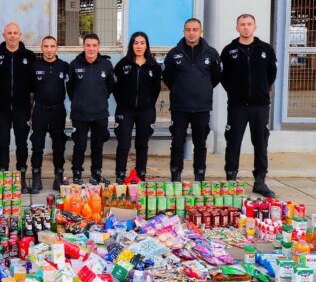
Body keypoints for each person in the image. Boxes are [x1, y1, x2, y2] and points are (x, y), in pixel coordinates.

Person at [220, 14, 277, 197]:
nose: (245, 27)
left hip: (260, 106)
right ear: (237, 27)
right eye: (242, 24)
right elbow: (223, 76)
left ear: (255, 26)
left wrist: (261, 91)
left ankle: (260, 181)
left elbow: (271, 74)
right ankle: (231, 180)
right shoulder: (229, 50)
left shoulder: (266, 49)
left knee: (260, 143)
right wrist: (235, 92)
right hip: (237, 106)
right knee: (233, 142)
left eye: (249, 24)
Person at [163, 18, 220, 182]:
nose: (191, 33)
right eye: (188, 29)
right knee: (177, 143)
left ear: (201, 31)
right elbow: (168, 78)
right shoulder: (174, 53)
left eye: (195, 29)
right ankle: (176, 174)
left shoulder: (211, 53)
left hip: (202, 108)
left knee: (200, 144)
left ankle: (199, 175)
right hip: (180, 107)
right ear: (184, 32)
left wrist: (203, 89)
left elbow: (215, 77)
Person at [0, 23, 36, 193]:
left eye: (15, 33)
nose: (13, 36)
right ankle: (4, 177)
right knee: (3, 143)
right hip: (1, 108)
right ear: (4, 35)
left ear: (20, 35)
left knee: (22, 143)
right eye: (9, 33)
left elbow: (33, 84)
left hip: (22, 108)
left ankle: (21, 178)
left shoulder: (29, 56)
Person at [113, 32, 161, 184]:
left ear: (146, 45)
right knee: (124, 143)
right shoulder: (123, 64)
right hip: (125, 110)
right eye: (135, 42)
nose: (139, 46)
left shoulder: (154, 66)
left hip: (146, 111)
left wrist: (147, 102)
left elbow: (156, 90)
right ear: (131, 45)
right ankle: (120, 175)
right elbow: (115, 87)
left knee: (142, 144)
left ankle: (140, 175)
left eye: (142, 42)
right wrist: (123, 102)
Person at [67, 33, 114, 185]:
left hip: (100, 113)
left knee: (97, 145)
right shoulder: (75, 64)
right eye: (88, 45)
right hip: (80, 114)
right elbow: (70, 89)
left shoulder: (106, 65)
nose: (91, 49)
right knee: (79, 145)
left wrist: (99, 100)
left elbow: (110, 87)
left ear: (98, 47)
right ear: (83, 46)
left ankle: (96, 172)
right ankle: (77, 173)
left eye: (94, 45)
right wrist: (81, 102)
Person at [29, 36, 70, 193]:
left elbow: (71, 86)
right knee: (37, 145)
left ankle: (58, 178)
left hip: (58, 111)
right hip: (40, 110)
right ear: (41, 48)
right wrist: (30, 110)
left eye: (52, 46)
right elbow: (31, 92)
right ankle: (36, 180)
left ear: (56, 48)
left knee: (59, 145)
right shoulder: (35, 66)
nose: (49, 49)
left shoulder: (64, 66)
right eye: (46, 46)